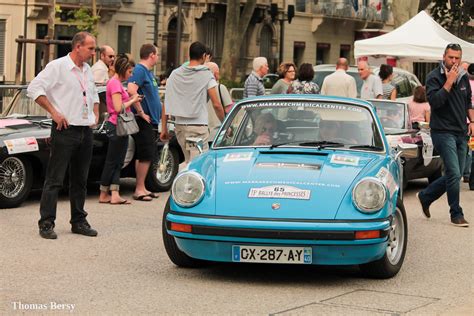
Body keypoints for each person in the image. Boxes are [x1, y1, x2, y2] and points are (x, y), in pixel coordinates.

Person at [27, 31, 99, 239]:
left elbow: (92, 93)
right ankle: (46, 223)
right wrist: (54, 113)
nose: (93, 52)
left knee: (80, 180)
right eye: (91, 48)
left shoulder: (87, 70)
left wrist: (95, 113)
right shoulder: (57, 67)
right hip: (64, 130)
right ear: (78, 47)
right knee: (55, 179)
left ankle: (79, 221)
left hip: (85, 130)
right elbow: (34, 88)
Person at [416, 43, 474, 227]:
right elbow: (435, 102)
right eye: (451, 57)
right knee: (454, 173)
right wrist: (449, 81)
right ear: (444, 57)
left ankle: (425, 196)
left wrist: (472, 121)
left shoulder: (464, 77)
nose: (454, 61)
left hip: (461, 132)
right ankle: (456, 214)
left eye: (457, 57)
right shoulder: (434, 77)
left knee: (454, 175)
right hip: (442, 132)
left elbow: (468, 103)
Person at [166, 41, 225, 163]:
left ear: (189, 55)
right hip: (197, 128)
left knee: (189, 161)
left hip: (180, 127)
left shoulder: (175, 74)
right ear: (204, 56)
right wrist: (225, 123)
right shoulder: (206, 74)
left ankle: (185, 180)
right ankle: (186, 181)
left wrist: (164, 128)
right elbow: (216, 104)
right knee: (198, 163)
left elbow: (166, 102)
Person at [127, 44, 168, 202]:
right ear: (151, 55)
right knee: (146, 154)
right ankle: (139, 189)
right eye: (157, 54)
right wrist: (141, 112)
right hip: (144, 120)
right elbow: (131, 89)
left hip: (151, 120)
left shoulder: (148, 73)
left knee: (144, 154)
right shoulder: (139, 70)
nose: (158, 57)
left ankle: (142, 186)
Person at [98, 54, 141, 205]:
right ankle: (104, 194)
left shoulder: (115, 83)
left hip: (117, 125)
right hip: (116, 125)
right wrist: (133, 100)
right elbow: (117, 108)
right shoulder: (115, 84)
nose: (131, 75)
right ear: (124, 70)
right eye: (130, 72)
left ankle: (114, 193)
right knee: (113, 161)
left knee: (117, 161)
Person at [205, 62, 233, 140]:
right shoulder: (221, 88)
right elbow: (229, 110)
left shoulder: (198, 89)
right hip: (218, 133)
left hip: (203, 133)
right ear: (215, 74)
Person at [461, 61, 473, 184]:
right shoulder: (461, 81)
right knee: (464, 148)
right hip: (461, 121)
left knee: (469, 148)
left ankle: (467, 174)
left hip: (470, 121)